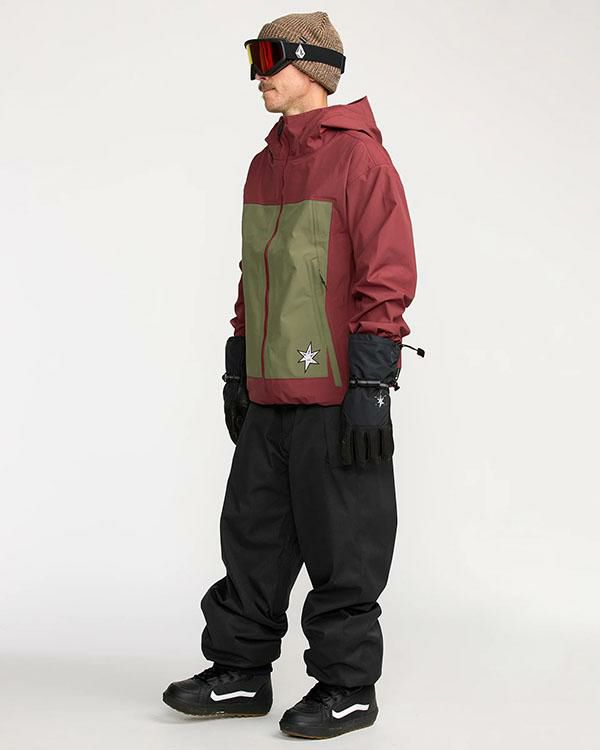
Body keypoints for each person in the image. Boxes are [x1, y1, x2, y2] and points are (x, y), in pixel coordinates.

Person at [162, 10, 424, 740]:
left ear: (314, 68)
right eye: (253, 58)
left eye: (270, 58)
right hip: (270, 389)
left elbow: (387, 272)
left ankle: (347, 688)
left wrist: (371, 383)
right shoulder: (265, 164)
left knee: (344, 545)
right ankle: (240, 674)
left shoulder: (361, 161)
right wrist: (238, 365)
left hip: (336, 394)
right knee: (251, 536)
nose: (259, 75)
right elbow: (257, 273)